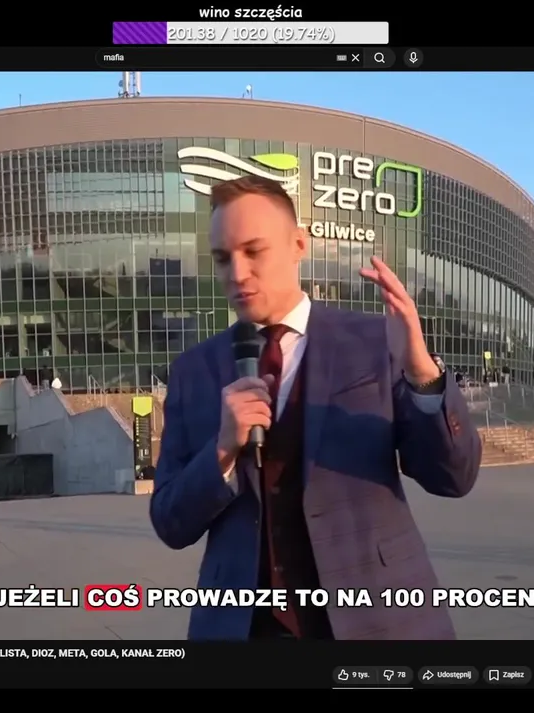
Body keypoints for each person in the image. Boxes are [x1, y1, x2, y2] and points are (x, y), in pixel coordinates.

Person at [149, 175, 482, 640]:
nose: (237, 273)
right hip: (244, 629)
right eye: (223, 258)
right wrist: (222, 451)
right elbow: (170, 522)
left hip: (376, 618)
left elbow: (454, 478)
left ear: (299, 245)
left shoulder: (375, 341)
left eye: (254, 251)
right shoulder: (193, 370)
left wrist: (422, 372)